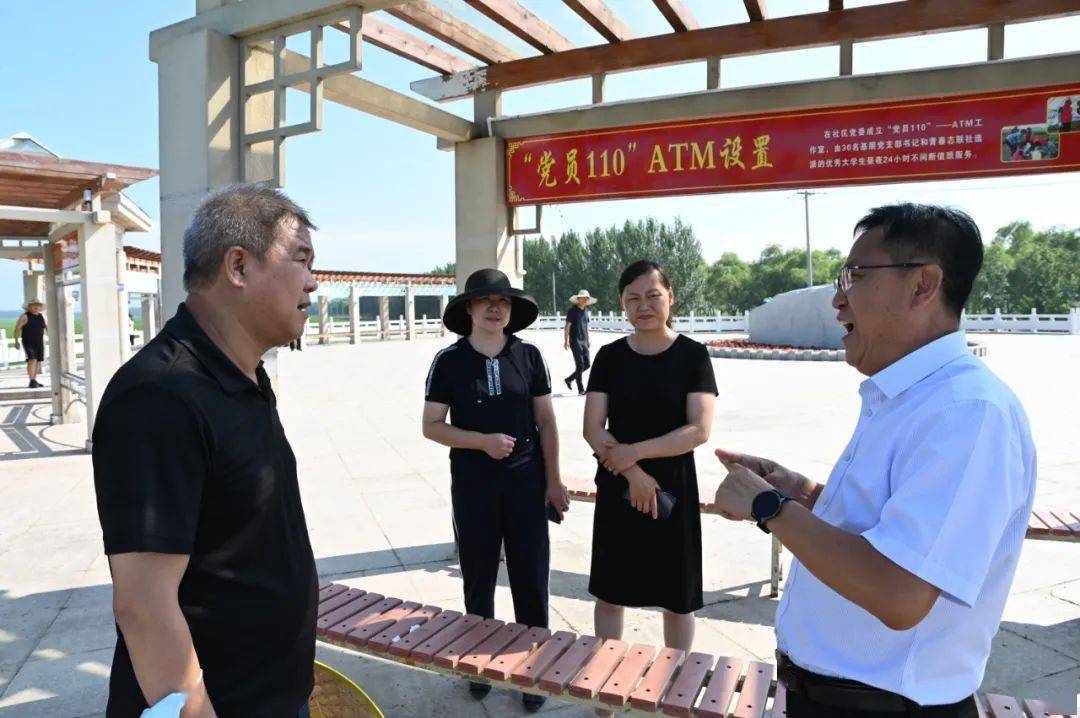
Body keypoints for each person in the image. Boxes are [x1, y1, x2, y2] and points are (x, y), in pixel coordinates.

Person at [713, 203, 1036, 718]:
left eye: (856, 276)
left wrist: (769, 505)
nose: (839, 300)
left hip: (884, 706)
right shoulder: (909, 396)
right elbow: (886, 534)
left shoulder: (968, 413)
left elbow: (900, 593)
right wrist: (806, 496)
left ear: (922, 285)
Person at [92, 184, 320, 718]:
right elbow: (144, 604)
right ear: (237, 266)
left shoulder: (245, 378)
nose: (313, 282)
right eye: (301, 259)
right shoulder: (160, 395)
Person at [422, 268, 570, 714]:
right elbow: (432, 427)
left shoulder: (528, 356)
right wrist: (481, 442)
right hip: (473, 484)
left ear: (511, 311)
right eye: (485, 300)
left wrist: (554, 480)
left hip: (526, 481)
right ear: (468, 308)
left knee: (530, 577)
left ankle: (533, 671)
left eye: (502, 302)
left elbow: (546, 421)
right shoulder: (449, 361)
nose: (494, 308)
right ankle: (477, 664)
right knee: (479, 576)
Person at [583, 259, 717, 710]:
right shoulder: (609, 357)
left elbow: (698, 430)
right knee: (610, 589)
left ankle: (678, 683)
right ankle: (604, 680)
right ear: (622, 305)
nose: (643, 306)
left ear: (670, 298)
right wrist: (633, 474)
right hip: (620, 484)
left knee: (677, 595)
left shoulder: (693, 355)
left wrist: (635, 454)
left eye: (652, 295)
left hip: (673, 486)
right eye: (632, 298)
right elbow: (593, 428)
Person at [563, 289, 597, 395]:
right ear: (578, 299)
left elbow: (585, 326)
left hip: (583, 340)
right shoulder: (572, 311)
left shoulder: (586, 311)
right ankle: (581, 389)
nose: (585, 299)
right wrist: (566, 340)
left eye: (586, 298)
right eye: (582, 298)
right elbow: (567, 326)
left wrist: (588, 340)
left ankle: (569, 379)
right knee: (580, 364)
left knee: (587, 364)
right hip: (575, 340)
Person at [13, 298, 47, 388]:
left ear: (40, 307)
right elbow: (17, 329)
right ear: (29, 307)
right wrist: (16, 341)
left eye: (38, 305)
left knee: (37, 361)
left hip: (39, 342)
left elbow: (47, 328)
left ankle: (34, 380)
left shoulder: (42, 316)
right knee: (32, 360)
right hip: (28, 342)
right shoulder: (25, 316)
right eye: (33, 305)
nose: (36, 307)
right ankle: (31, 380)